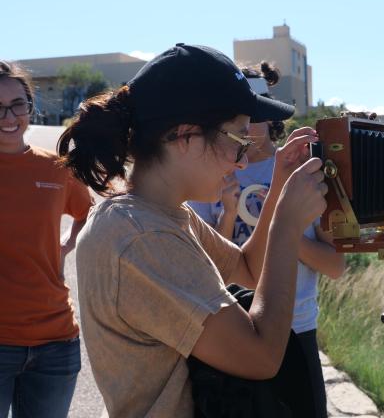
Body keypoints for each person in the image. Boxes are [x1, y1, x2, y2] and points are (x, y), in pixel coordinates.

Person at [57, 44, 328, 418]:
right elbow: (260, 356)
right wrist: (286, 226)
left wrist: (280, 183)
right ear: (185, 136)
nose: (244, 160)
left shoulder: (164, 214)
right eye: (237, 141)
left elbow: (248, 269)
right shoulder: (141, 236)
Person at [190, 62, 345, 418]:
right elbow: (205, 269)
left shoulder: (304, 168)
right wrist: (228, 216)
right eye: (237, 116)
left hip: (297, 327)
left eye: (256, 113)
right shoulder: (211, 172)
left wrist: (286, 229)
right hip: (232, 328)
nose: (248, 127)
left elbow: (336, 266)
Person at [0, 60, 93, 417]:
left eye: (17, 104)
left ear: (29, 106)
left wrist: (68, 244)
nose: (10, 116)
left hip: (56, 342)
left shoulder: (56, 169)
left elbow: (86, 212)